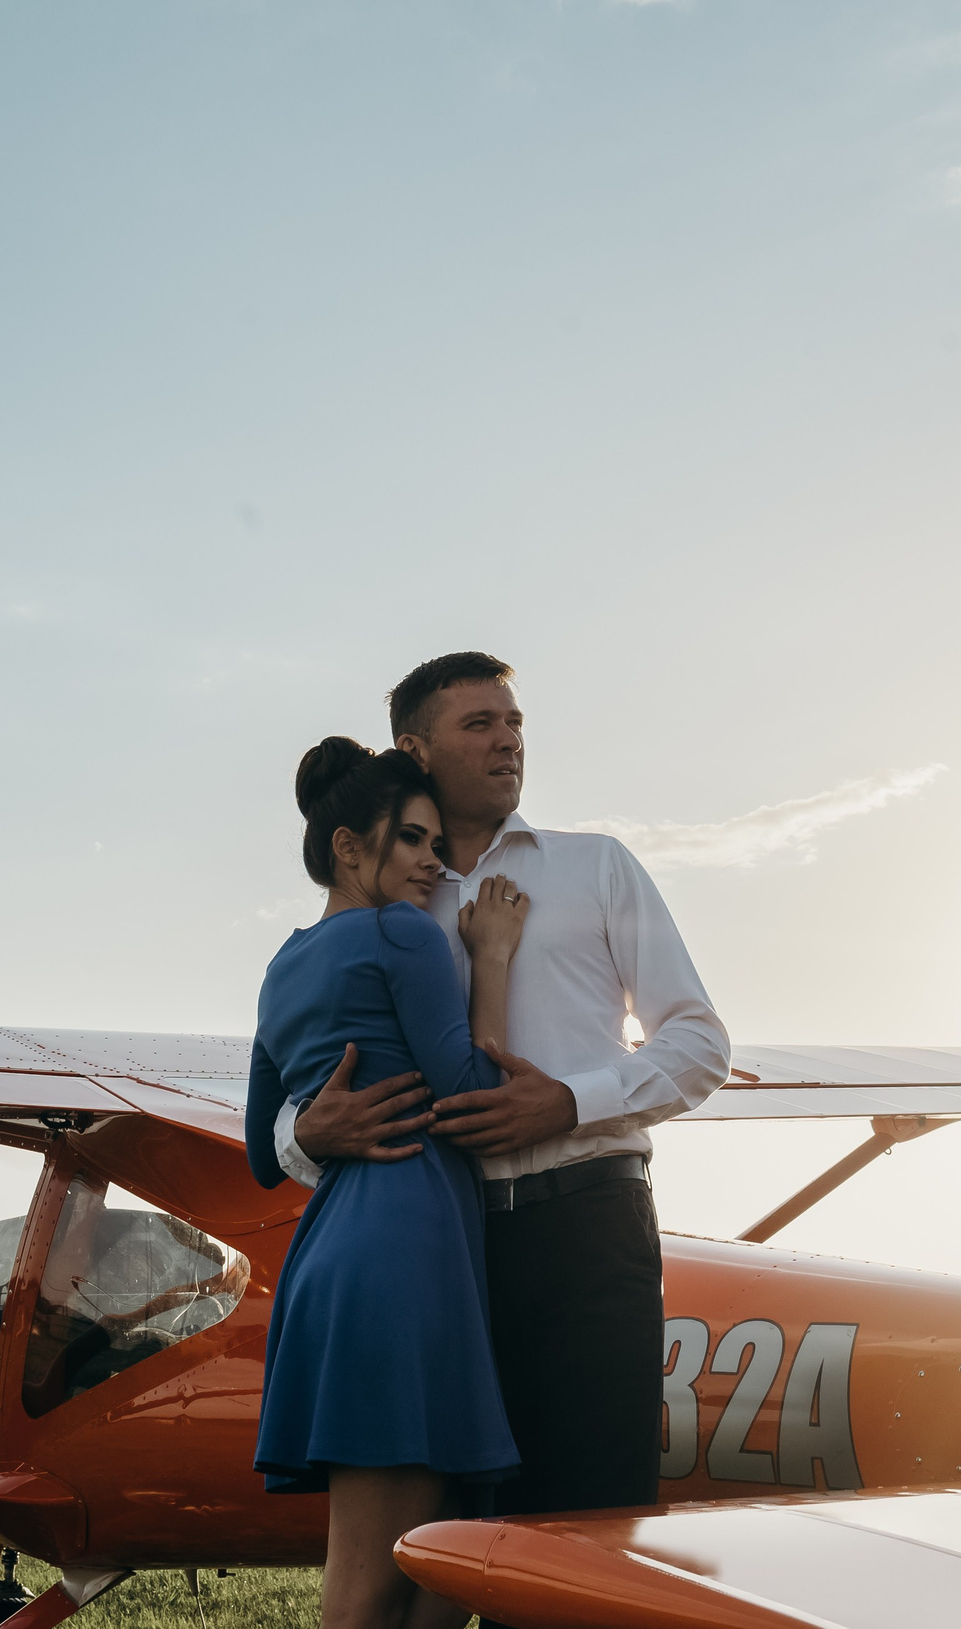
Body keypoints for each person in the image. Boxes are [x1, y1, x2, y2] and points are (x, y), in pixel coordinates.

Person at [274, 652, 731, 1532]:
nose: (508, 740)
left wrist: (569, 1101)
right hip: (450, 1247)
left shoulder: (598, 865)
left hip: (591, 1231)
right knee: (467, 1537)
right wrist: (306, 1135)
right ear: (415, 749)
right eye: (478, 724)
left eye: (514, 721)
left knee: (597, 1528)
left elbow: (700, 1044)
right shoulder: (389, 906)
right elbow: (304, 1073)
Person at [245, 737, 532, 1629]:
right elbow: (468, 1089)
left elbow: (261, 1149)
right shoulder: (402, 932)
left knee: (444, 1565)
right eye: (411, 839)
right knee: (376, 1581)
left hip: (336, 1247)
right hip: (403, 1247)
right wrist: (490, 956)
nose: (432, 861)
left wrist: (315, 1126)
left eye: (437, 844)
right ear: (348, 846)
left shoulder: (282, 966)